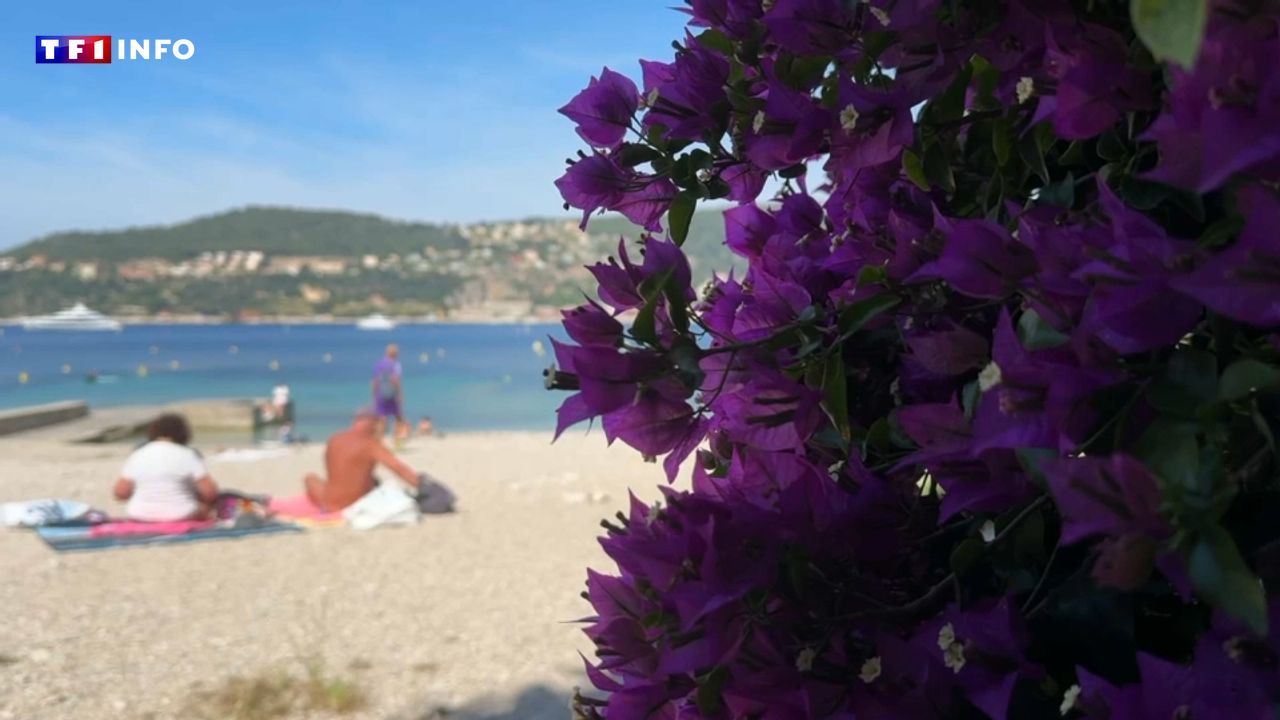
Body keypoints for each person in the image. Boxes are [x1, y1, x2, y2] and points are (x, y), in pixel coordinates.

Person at [303, 409, 419, 511]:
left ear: (355, 422)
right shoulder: (371, 444)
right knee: (373, 481)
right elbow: (399, 469)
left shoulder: (334, 439)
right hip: (356, 502)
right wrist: (421, 485)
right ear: (375, 424)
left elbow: (333, 470)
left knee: (310, 477)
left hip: (330, 502)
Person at [113, 413, 219, 521]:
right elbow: (210, 493)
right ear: (183, 433)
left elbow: (120, 493)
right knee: (208, 505)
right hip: (180, 515)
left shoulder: (138, 454)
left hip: (140, 515)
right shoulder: (188, 454)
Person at [371, 344, 408, 442]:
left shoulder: (379, 364)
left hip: (381, 394)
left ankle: (379, 441)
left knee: (382, 418)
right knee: (398, 417)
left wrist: (374, 395)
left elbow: (375, 382)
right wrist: (400, 394)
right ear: (395, 354)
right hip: (392, 394)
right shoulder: (396, 364)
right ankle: (397, 439)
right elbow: (396, 380)